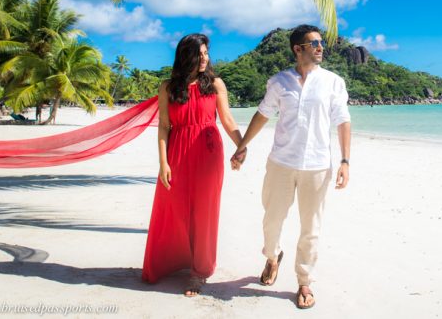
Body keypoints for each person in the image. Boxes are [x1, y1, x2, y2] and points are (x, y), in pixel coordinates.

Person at [231, 24, 351, 310]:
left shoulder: (333, 81)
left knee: (311, 227)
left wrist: (345, 160)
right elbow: (263, 114)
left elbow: (343, 120)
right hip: (281, 163)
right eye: (314, 43)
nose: (321, 47)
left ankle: (304, 280)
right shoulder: (279, 81)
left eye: (321, 42)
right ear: (298, 49)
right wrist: (242, 145)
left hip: (318, 166)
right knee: (271, 221)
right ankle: (273, 257)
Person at [142, 34, 243, 296]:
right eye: (199, 53)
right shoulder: (168, 87)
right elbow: (164, 126)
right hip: (177, 149)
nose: (204, 58)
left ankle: (199, 272)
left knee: (204, 212)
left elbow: (228, 120)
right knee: (172, 209)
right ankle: (171, 262)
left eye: (206, 53)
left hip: (208, 151)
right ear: (185, 55)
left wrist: (241, 145)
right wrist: (163, 162)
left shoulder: (216, 84)